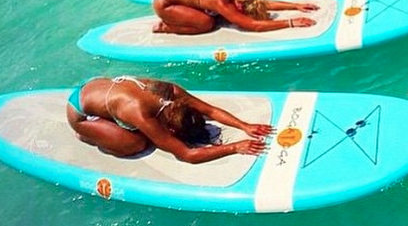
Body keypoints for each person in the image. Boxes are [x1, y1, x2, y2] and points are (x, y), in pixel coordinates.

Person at [67, 75, 274, 161]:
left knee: (145, 134)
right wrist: (234, 147)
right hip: (81, 111)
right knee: (137, 143)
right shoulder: (140, 113)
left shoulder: (172, 93)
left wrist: (244, 125)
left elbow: (209, 111)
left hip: (102, 89)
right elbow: (186, 155)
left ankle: (110, 120)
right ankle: (85, 134)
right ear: (172, 128)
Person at [152, 0, 319, 35]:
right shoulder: (221, 1)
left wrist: (295, 5)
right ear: (239, 7)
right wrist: (290, 23)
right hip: (165, 3)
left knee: (214, 17)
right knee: (207, 23)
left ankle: (184, 16)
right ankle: (166, 26)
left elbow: (261, 2)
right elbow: (252, 26)